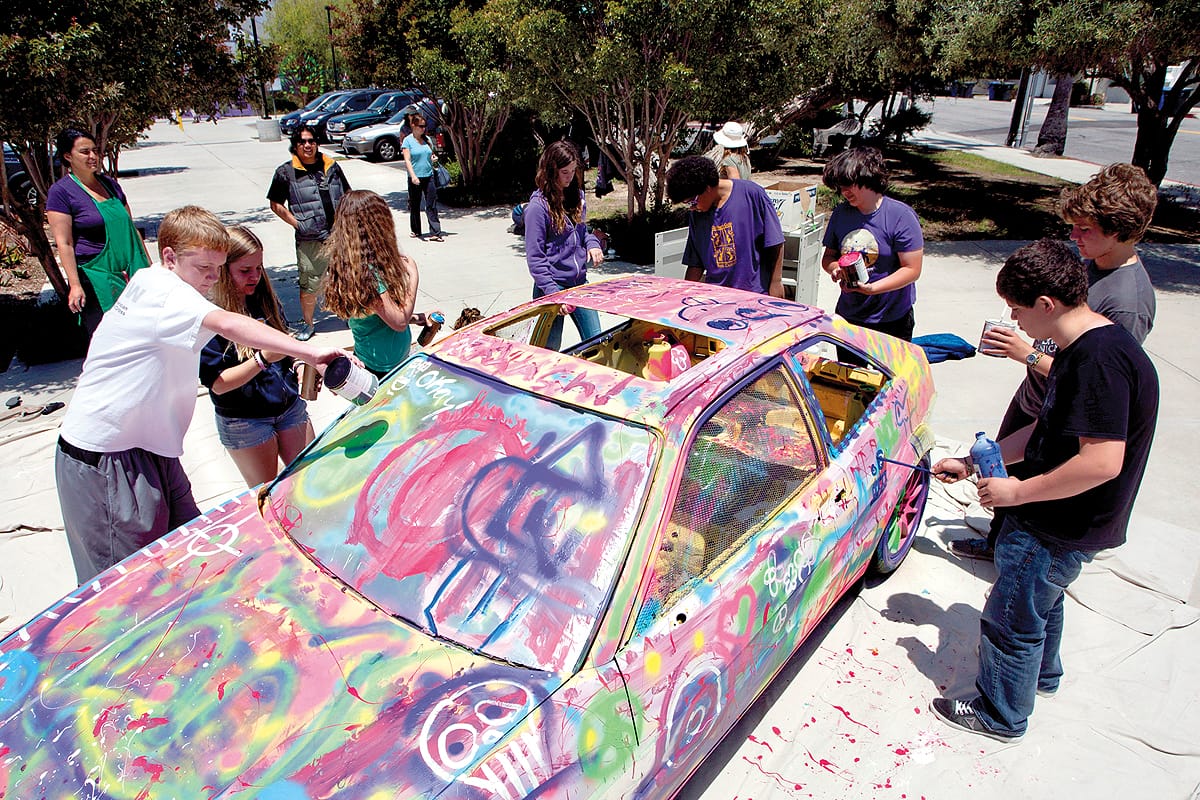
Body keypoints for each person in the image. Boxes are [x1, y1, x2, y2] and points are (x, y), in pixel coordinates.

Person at [929, 239, 1159, 742]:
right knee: (1043, 601)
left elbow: (1101, 462)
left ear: (1046, 305)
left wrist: (1019, 493)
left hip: (1058, 523)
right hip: (1063, 520)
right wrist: (971, 463)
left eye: (1016, 309)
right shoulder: (1091, 346)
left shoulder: (1098, 363)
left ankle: (1002, 713)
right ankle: (1042, 677)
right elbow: (1045, 429)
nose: (1014, 320)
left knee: (1011, 618)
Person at [54, 206, 349, 584]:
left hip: (152, 451)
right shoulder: (167, 292)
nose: (212, 279)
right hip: (108, 458)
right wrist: (307, 351)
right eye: (204, 268)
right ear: (170, 257)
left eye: (218, 268)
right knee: (129, 586)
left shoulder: (155, 282)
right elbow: (226, 324)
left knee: (193, 554)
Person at [951, 163, 1158, 562]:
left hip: (1065, 438)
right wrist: (970, 462)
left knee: (1027, 549)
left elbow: (1100, 403)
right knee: (1009, 488)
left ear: (1118, 231)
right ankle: (1003, 545)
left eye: (1085, 229)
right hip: (1042, 409)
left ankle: (1016, 559)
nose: (1073, 237)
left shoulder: (1124, 310)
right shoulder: (1091, 266)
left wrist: (1026, 353)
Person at [199, 226, 314, 488]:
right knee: (268, 495)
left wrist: (297, 364)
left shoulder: (264, 299)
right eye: (245, 271)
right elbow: (218, 383)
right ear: (223, 270)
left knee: (311, 482)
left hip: (289, 408)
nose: (255, 277)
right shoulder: (209, 315)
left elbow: (284, 349)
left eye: (259, 268)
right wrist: (262, 359)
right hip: (246, 421)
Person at [46, 127, 152, 333]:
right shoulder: (60, 192)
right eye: (85, 152)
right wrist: (75, 285)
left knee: (144, 333)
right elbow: (64, 243)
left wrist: (148, 268)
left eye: (95, 150)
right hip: (97, 279)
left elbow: (131, 229)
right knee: (112, 337)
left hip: (132, 271)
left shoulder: (110, 185)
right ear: (68, 156)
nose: (93, 156)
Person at [324, 190, 436, 377]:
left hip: (378, 360)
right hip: (382, 371)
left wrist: (417, 318)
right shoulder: (367, 276)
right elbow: (398, 322)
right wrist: (413, 276)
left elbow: (379, 317)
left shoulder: (352, 266)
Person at [820, 146, 924, 341]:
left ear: (867, 178)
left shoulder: (900, 216)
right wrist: (835, 269)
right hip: (850, 315)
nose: (843, 192)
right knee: (850, 372)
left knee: (890, 372)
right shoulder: (841, 214)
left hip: (891, 318)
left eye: (848, 185)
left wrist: (873, 289)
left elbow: (912, 269)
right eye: (839, 187)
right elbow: (829, 257)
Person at [267, 128, 351, 341]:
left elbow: (348, 195)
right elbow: (275, 204)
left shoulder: (332, 166)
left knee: (347, 277)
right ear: (295, 145)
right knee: (310, 283)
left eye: (312, 141)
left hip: (338, 234)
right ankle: (308, 323)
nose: (308, 145)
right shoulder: (286, 172)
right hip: (310, 238)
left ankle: (351, 315)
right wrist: (298, 224)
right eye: (303, 142)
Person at [664, 154, 785, 298]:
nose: (691, 208)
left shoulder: (752, 194)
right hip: (716, 297)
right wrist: (683, 294)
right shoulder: (697, 215)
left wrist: (776, 282)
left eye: (692, 202)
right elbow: (695, 262)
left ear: (707, 188)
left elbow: (775, 243)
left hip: (753, 293)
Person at [525, 140, 604, 350]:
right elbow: (535, 258)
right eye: (564, 172)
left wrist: (593, 244)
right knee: (549, 350)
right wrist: (553, 293)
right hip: (551, 288)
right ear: (551, 171)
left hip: (578, 283)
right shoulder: (537, 207)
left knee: (598, 341)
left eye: (573, 171)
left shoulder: (576, 196)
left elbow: (582, 232)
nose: (569, 177)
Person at [402, 113, 444, 242]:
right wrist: (413, 176)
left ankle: (435, 232)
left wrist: (433, 158)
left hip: (428, 175)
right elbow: (407, 160)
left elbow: (431, 154)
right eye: (420, 126)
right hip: (415, 177)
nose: (423, 129)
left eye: (424, 126)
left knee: (431, 204)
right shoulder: (407, 141)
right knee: (415, 204)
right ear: (413, 126)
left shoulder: (427, 140)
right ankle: (416, 230)